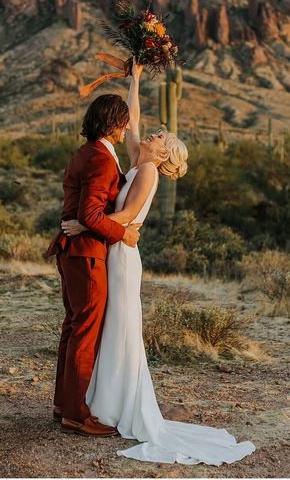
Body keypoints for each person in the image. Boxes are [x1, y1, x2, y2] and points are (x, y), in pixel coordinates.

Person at [61, 59, 256, 465]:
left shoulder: (146, 171)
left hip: (120, 253)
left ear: (163, 152)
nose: (151, 134)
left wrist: (84, 224)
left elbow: (127, 217)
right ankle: (95, 402)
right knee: (105, 326)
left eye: (159, 136)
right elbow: (131, 124)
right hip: (112, 249)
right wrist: (133, 80)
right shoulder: (137, 160)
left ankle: (110, 404)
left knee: (118, 327)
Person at [45, 93, 142, 437]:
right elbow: (89, 213)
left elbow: (82, 212)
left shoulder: (85, 152)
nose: (128, 127)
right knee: (84, 330)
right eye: (124, 121)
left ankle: (63, 404)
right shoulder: (101, 159)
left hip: (72, 250)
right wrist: (123, 234)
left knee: (73, 326)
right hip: (86, 254)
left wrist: (136, 79)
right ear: (113, 122)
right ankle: (76, 413)